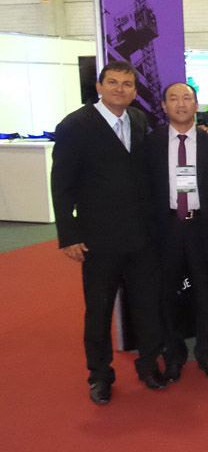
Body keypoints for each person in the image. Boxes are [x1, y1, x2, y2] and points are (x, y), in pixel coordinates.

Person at [51, 60, 166, 405]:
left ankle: (149, 365)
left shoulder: (139, 120)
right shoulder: (75, 125)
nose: (120, 89)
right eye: (112, 82)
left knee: (147, 305)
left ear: (134, 90)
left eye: (127, 84)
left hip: (141, 237)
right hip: (98, 239)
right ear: (99, 87)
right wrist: (69, 235)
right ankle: (100, 376)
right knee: (98, 311)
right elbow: (61, 184)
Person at [146, 82, 208, 383]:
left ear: (196, 104)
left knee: (205, 291)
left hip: (201, 226)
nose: (181, 104)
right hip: (166, 227)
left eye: (187, 98)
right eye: (173, 99)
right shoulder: (150, 142)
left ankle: (207, 353)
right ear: (163, 106)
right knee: (168, 294)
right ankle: (173, 355)